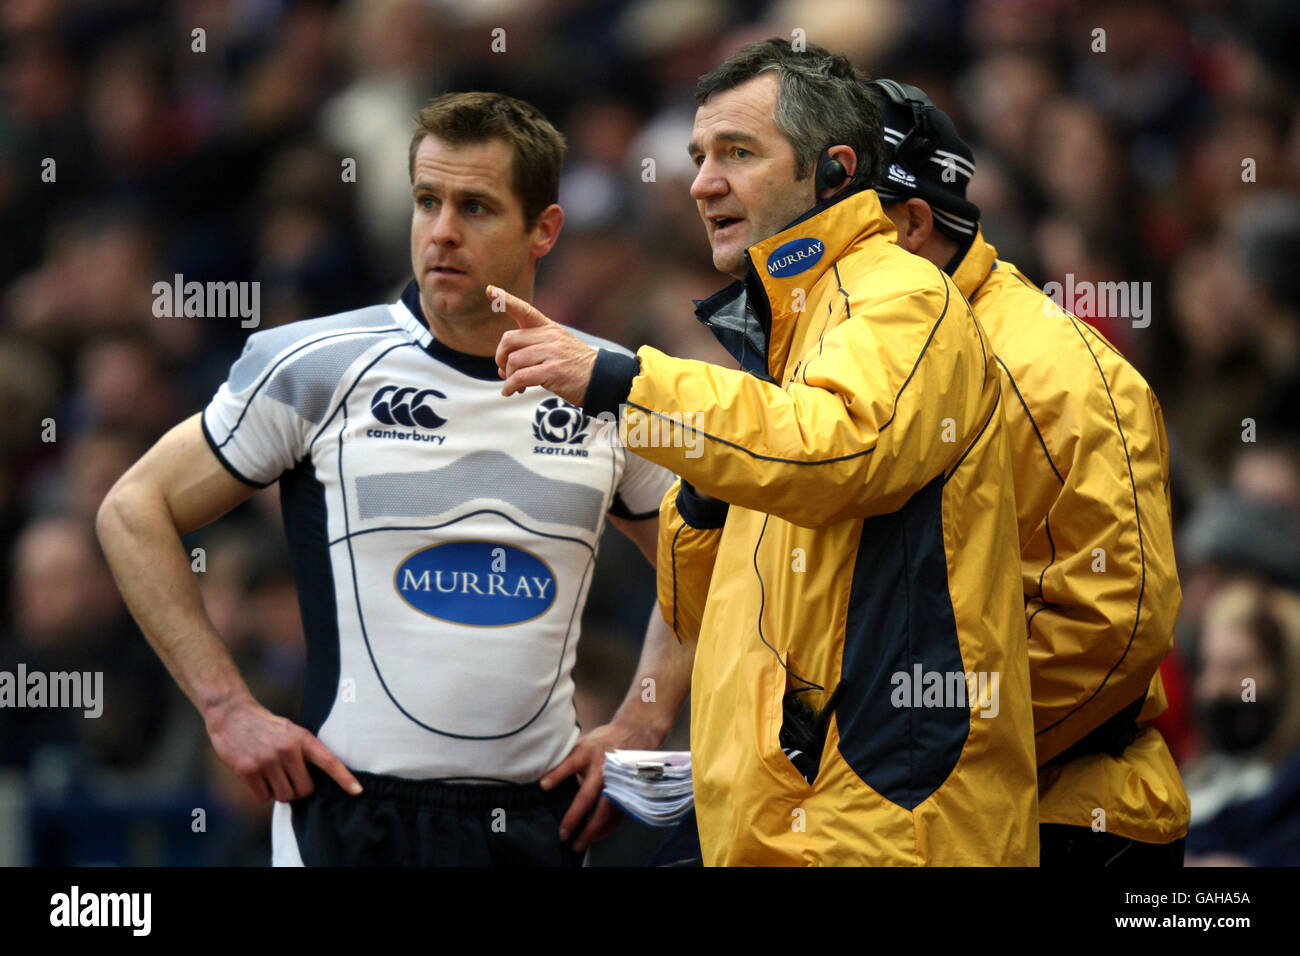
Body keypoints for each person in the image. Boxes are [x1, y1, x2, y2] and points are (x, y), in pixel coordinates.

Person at [96, 92, 689, 866]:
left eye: (475, 207)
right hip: (350, 818)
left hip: (535, 824)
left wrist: (644, 718)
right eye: (426, 201)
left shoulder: (613, 387)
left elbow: (703, 556)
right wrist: (226, 706)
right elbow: (132, 509)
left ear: (544, 229)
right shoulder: (316, 366)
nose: (442, 232)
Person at [493, 39, 1039, 865]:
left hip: (887, 825)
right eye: (699, 156)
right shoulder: (786, 332)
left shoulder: (901, 296)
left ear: (834, 171)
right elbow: (709, 574)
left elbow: (838, 452)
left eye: (739, 154)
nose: (702, 182)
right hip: (785, 821)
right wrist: (644, 721)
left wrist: (622, 380)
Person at [868, 79, 1188, 865]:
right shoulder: (836, 363)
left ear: (911, 224)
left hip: (1068, 823)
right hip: (893, 820)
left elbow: (1115, 619)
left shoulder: (1053, 369)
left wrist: (926, 759)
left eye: (833, 217)